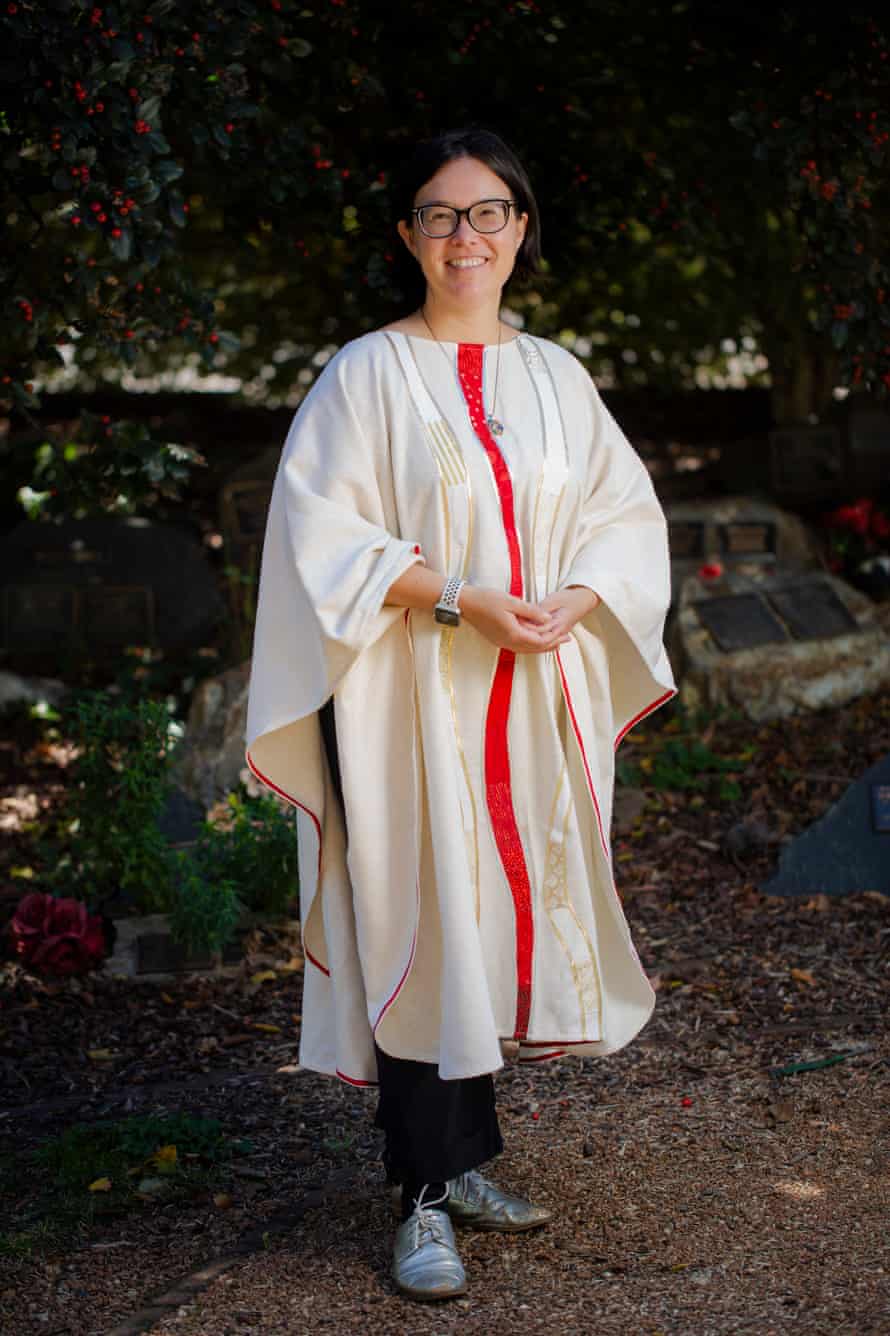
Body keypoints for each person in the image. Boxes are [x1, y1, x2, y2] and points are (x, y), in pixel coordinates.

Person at [245, 126, 676, 1302]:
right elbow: (319, 533)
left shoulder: (554, 377)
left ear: (521, 228)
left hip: (526, 689)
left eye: (487, 213)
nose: (465, 237)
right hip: (406, 696)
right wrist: (460, 599)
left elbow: (620, 514)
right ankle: (420, 1196)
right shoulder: (362, 374)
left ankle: (466, 1157)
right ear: (407, 236)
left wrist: (576, 598)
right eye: (439, 216)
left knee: (482, 920)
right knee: (419, 917)